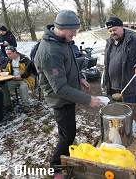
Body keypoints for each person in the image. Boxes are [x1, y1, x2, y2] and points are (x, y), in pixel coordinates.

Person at [34, 10, 102, 174]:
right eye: (73, 31)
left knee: (67, 131)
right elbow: (60, 88)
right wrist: (88, 99)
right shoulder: (51, 51)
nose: (75, 34)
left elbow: (71, 63)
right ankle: (56, 167)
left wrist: (79, 78)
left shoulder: (63, 41)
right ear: (62, 28)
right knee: (67, 135)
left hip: (68, 95)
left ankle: (66, 154)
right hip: (60, 99)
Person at [103, 16, 136, 103]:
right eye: (110, 31)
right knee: (115, 113)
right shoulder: (109, 42)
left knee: (128, 114)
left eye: (115, 30)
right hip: (112, 88)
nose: (112, 33)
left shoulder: (134, 39)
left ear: (122, 27)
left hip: (129, 90)